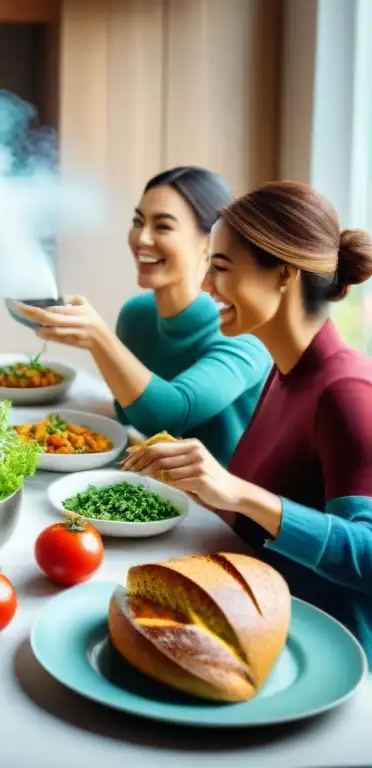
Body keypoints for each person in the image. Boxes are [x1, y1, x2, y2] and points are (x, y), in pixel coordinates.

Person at [123, 180, 372, 661]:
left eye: (220, 268)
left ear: (283, 273)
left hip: (330, 660)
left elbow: (366, 555)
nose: (204, 286)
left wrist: (238, 493)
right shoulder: (281, 372)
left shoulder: (347, 393)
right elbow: (262, 520)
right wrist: (199, 485)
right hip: (258, 624)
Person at [17, 167, 271, 465]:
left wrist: (98, 339)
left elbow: (170, 417)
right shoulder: (136, 315)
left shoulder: (243, 332)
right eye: (138, 222)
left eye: (162, 226)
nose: (143, 238)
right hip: (158, 486)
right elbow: (129, 414)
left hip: (224, 507)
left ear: (210, 243)